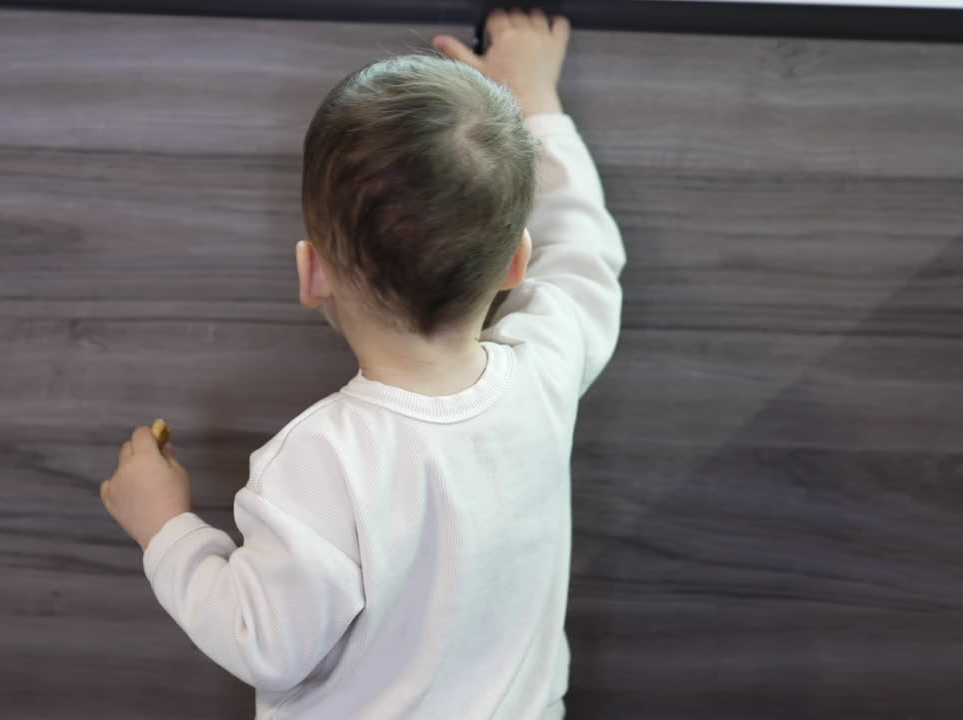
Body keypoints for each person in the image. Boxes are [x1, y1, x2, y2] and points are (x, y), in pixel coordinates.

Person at [100, 9, 624, 718]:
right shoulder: (548, 364)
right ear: (516, 263)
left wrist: (166, 528)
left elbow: (263, 641)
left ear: (311, 274)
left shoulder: (321, 461)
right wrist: (536, 102)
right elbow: (585, 254)